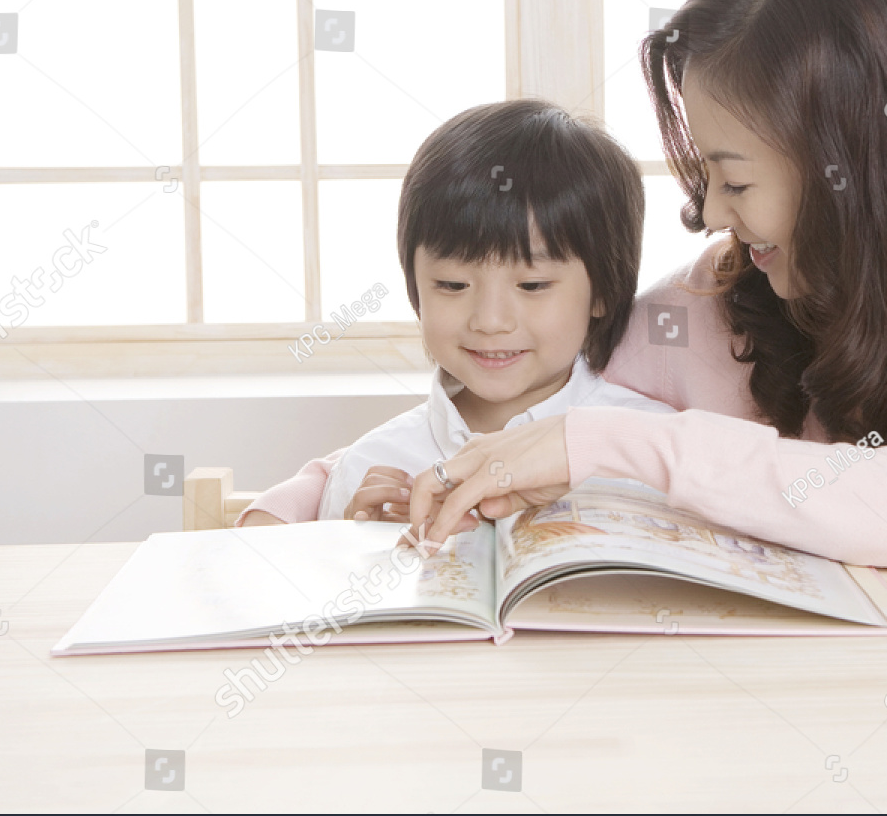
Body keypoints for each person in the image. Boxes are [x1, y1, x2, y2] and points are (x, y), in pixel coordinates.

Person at [259, 0, 887, 576]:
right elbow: (520, 383)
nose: (711, 213)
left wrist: (612, 446)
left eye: (736, 180)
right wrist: (314, 499)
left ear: (847, 166)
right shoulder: (714, 301)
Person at [236, 99, 673, 532]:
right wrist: (357, 543)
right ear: (416, 289)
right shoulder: (372, 467)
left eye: (532, 286)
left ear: (603, 290)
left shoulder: (657, 449)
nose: (490, 321)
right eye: (452, 285)